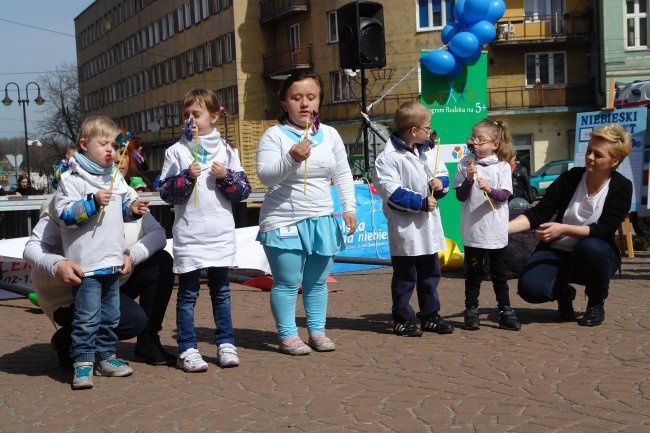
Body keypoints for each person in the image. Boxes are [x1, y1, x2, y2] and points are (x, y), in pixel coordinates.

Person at [24, 149, 176, 370]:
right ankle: (69, 340)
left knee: (161, 261)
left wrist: (131, 255)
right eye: (105, 150)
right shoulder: (65, 196)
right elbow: (32, 247)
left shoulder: (125, 194)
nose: (114, 158)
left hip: (112, 280)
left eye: (119, 164)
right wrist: (58, 265)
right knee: (129, 319)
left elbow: (157, 233)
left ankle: (148, 343)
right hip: (69, 290)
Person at [256, 71, 357, 356]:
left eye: (310, 97)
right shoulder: (273, 135)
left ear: (319, 102)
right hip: (284, 220)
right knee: (288, 282)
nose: (304, 104)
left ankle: (317, 331)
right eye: (296, 98)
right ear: (284, 102)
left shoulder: (332, 135)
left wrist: (348, 208)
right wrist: (291, 158)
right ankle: (287, 335)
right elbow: (265, 176)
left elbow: (343, 173)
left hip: (322, 217)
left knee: (317, 281)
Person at [52, 116, 149, 389]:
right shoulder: (72, 179)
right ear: (84, 144)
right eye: (103, 144)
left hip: (112, 260)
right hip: (87, 263)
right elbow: (65, 215)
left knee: (111, 316)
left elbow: (123, 205)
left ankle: (106, 356)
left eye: (114, 145)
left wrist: (133, 208)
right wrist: (92, 202)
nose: (111, 150)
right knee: (87, 317)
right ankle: (82, 363)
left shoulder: (115, 177)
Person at [159, 88, 251, 372]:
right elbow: (165, 192)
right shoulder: (176, 151)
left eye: (196, 114)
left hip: (219, 234)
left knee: (221, 290)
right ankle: (187, 347)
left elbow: (242, 192)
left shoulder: (227, 151)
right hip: (190, 235)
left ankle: (225, 342)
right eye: (186, 115)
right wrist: (186, 177)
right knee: (188, 293)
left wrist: (225, 177)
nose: (190, 120)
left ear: (213, 116)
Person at [509, 124, 632, 327]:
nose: (590, 158)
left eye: (598, 155)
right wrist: (502, 229)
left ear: (614, 161)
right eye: (589, 151)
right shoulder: (571, 177)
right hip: (558, 250)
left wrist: (562, 228)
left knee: (591, 246)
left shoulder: (621, 187)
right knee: (530, 289)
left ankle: (595, 302)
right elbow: (538, 213)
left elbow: (603, 230)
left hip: (594, 255)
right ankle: (563, 293)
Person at [372, 102, 454, 337]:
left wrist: (440, 184)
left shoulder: (427, 150)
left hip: (427, 225)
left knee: (430, 274)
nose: (431, 131)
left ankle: (430, 315)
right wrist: (420, 202)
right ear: (414, 131)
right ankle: (402, 317)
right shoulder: (387, 159)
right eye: (427, 128)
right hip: (405, 227)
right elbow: (392, 193)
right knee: (405, 277)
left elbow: (442, 173)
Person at [452, 118, 520, 331]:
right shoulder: (465, 163)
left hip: (495, 231)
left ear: (494, 144)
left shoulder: (502, 166)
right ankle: (471, 310)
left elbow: (504, 196)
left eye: (481, 140)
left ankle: (505, 310)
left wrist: (489, 189)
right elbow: (461, 196)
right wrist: (469, 180)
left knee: (499, 274)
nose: (476, 143)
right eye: (474, 139)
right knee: (474, 274)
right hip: (473, 231)